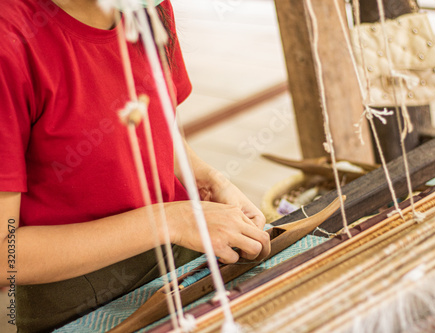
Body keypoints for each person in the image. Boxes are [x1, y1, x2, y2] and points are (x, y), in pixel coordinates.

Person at [0, 0, 271, 331]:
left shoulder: (146, 8)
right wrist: (172, 220)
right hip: (77, 301)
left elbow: (152, 122)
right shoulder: (10, 39)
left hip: (181, 264)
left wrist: (207, 177)